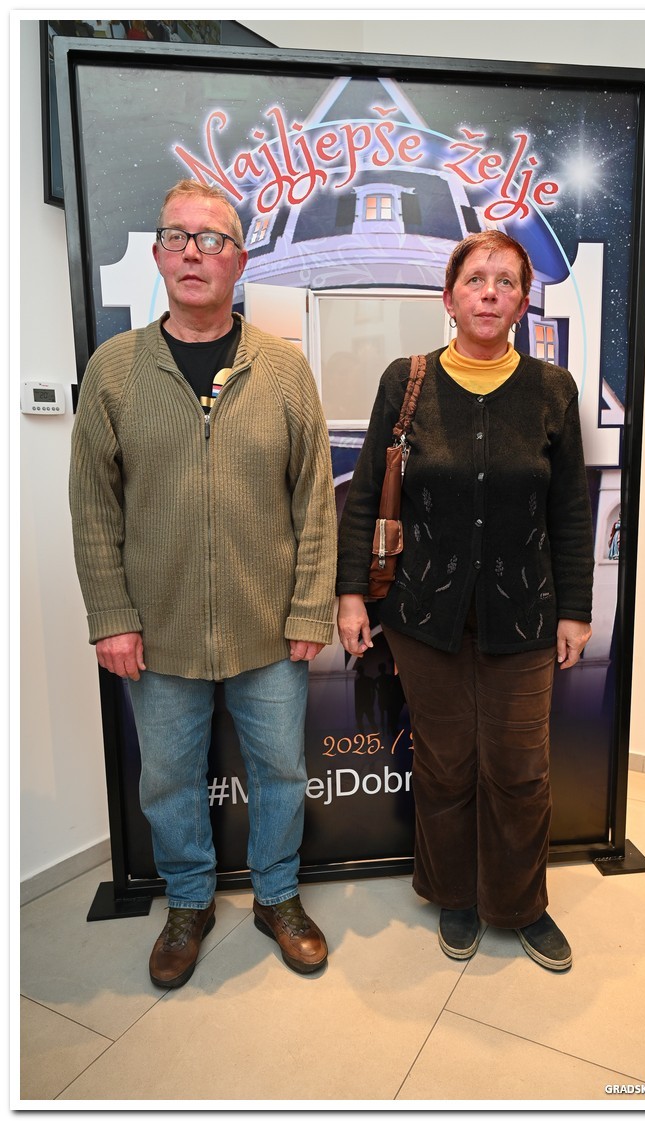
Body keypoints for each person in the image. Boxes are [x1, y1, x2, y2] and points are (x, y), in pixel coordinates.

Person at [70, 179, 337, 987]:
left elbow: (315, 498)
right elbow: (93, 504)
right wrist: (111, 615)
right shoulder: (115, 369)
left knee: (281, 770)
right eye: (177, 237)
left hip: (268, 626)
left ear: (239, 261)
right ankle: (188, 901)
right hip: (157, 629)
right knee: (167, 779)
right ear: (158, 255)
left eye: (212, 239)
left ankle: (277, 894)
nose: (193, 253)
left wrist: (310, 608)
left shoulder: (283, 368)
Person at [336, 231, 593, 971]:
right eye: (476, 279)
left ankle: (520, 903)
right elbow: (365, 499)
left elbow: (570, 510)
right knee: (446, 765)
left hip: (525, 616)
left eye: (506, 281)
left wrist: (575, 609)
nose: (489, 292)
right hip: (424, 617)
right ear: (449, 298)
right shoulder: (406, 380)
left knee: (521, 770)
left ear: (522, 301)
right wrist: (352, 596)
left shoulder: (552, 390)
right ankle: (452, 893)